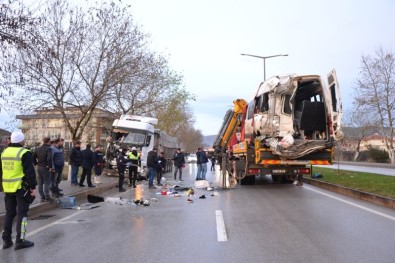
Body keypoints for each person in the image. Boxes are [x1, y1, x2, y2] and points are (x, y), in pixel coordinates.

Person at [1, 131, 37, 250]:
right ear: (21, 141)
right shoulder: (24, 153)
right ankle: (20, 240)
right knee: (22, 213)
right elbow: (30, 172)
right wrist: (33, 188)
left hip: (7, 188)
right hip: (21, 188)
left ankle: (6, 240)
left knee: (9, 213)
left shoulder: (4, 152)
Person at [32, 137, 54, 201]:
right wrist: (50, 167)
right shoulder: (49, 149)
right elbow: (49, 158)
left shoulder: (38, 148)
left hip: (39, 167)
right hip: (45, 167)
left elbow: (33, 156)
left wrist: (36, 163)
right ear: (49, 141)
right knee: (47, 182)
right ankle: (47, 196)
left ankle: (42, 196)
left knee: (40, 182)